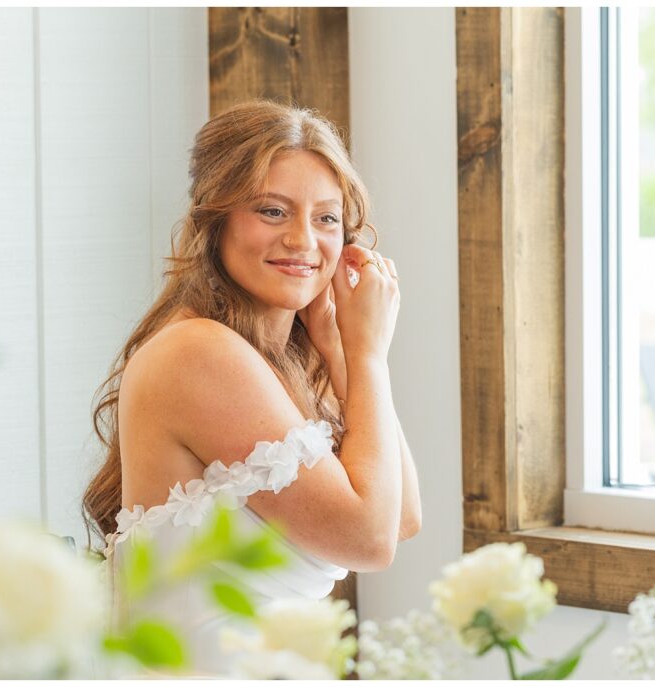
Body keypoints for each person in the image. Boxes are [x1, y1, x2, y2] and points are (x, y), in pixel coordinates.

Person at [81, 99, 422, 675]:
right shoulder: (199, 353)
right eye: (272, 211)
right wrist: (368, 354)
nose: (303, 240)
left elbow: (401, 517)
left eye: (327, 218)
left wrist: (341, 352)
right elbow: (370, 539)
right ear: (214, 221)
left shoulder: (282, 363)